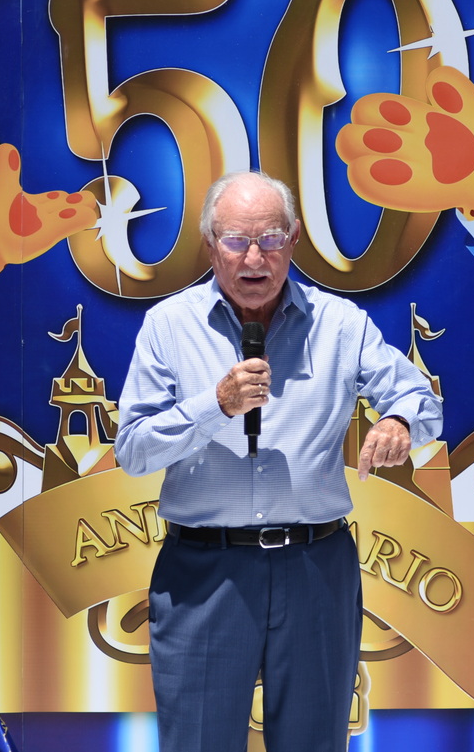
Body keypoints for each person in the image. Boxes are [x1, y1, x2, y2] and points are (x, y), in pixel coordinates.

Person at [114, 170, 444, 751]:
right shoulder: (169, 326)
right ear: (210, 244)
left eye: (269, 239)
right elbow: (134, 450)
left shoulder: (340, 324)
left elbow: (422, 401)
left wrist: (398, 421)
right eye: (236, 241)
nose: (254, 258)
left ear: (293, 241)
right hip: (204, 573)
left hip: (316, 568)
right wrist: (216, 405)